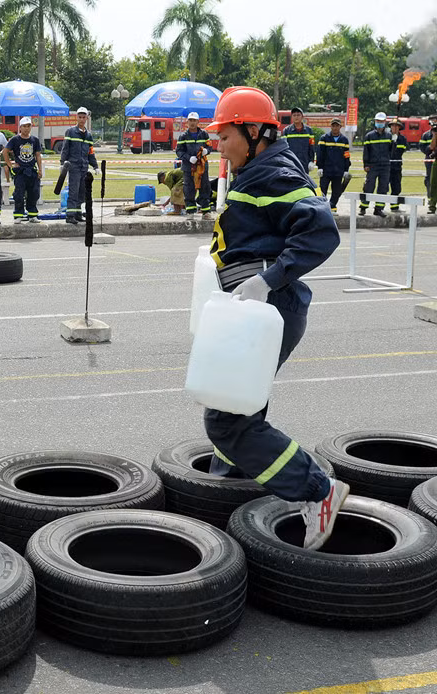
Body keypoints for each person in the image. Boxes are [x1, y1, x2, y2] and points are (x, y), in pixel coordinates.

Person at [204, 85, 346, 551]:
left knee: (226, 421)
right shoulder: (256, 170)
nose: (217, 144)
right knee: (241, 406)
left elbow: (320, 231)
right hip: (252, 309)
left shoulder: (275, 173)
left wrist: (269, 280)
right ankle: (236, 475)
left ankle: (318, 490)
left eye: (225, 135)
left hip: (269, 308)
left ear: (255, 132)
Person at [59, 106, 99, 225]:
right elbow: (65, 148)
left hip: (84, 166)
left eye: (83, 117)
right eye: (80, 117)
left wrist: (95, 166)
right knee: (73, 191)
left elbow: (90, 152)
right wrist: (62, 162)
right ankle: (70, 215)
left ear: (86, 118)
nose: (81, 119)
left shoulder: (88, 135)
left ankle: (77, 213)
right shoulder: (70, 132)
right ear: (77, 117)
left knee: (82, 191)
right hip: (74, 165)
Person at [3, 117, 43, 224]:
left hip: (32, 171)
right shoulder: (15, 140)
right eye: (24, 126)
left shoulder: (35, 140)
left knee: (34, 193)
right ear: (20, 127)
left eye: (28, 126)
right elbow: (5, 151)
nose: (26, 128)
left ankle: (32, 215)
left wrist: (40, 170)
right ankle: (18, 215)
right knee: (19, 194)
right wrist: (10, 164)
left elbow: (38, 155)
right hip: (20, 171)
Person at [176, 112, 213, 219]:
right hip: (188, 167)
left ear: (198, 122)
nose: (192, 123)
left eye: (194, 120)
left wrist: (207, 150)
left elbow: (210, 146)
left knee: (205, 187)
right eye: (190, 120)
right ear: (187, 122)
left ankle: (206, 211)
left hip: (202, 166)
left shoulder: (204, 134)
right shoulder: (183, 136)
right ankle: (190, 212)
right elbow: (179, 151)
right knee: (189, 188)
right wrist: (188, 158)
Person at [315, 117, 351, 213]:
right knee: (322, 190)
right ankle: (321, 207)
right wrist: (320, 167)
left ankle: (332, 206)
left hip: (338, 171)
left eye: (337, 126)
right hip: (326, 170)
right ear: (330, 126)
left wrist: (346, 170)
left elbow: (346, 156)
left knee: (336, 191)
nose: (335, 128)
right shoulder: (324, 138)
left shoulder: (344, 140)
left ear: (340, 127)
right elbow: (320, 154)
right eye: (333, 126)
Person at [360, 112, 391, 217]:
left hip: (385, 165)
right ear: (375, 122)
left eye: (381, 121)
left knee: (383, 188)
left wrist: (395, 142)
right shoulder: (369, 136)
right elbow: (366, 152)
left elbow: (392, 152)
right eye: (378, 121)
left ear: (385, 122)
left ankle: (379, 209)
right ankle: (363, 207)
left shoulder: (389, 136)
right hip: (372, 165)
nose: (379, 123)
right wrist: (366, 164)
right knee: (369, 186)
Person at [281, 107, 316, 173]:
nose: (296, 117)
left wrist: (311, 161)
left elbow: (311, 147)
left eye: (298, 115)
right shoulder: (286, 131)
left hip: (305, 163)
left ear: (302, 116)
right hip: (291, 162)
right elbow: (283, 148)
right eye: (294, 115)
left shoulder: (309, 130)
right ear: (291, 117)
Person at [387, 119, 408, 212]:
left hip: (397, 166)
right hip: (386, 166)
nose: (394, 128)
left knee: (396, 187)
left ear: (399, 128)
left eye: (396, 126)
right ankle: (379, 207)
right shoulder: (386, 137)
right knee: (383, 187)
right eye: (393, 126)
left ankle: (394, 206)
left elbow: (401, 151)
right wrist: (391, 142)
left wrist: (396, 143)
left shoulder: (402, 139)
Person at [421, 114, 436, 194]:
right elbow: (423, 149)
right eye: (432, 121)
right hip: (430, 161)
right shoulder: (426, 135)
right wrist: (430, 147)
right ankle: (430, 198)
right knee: (429, 179)